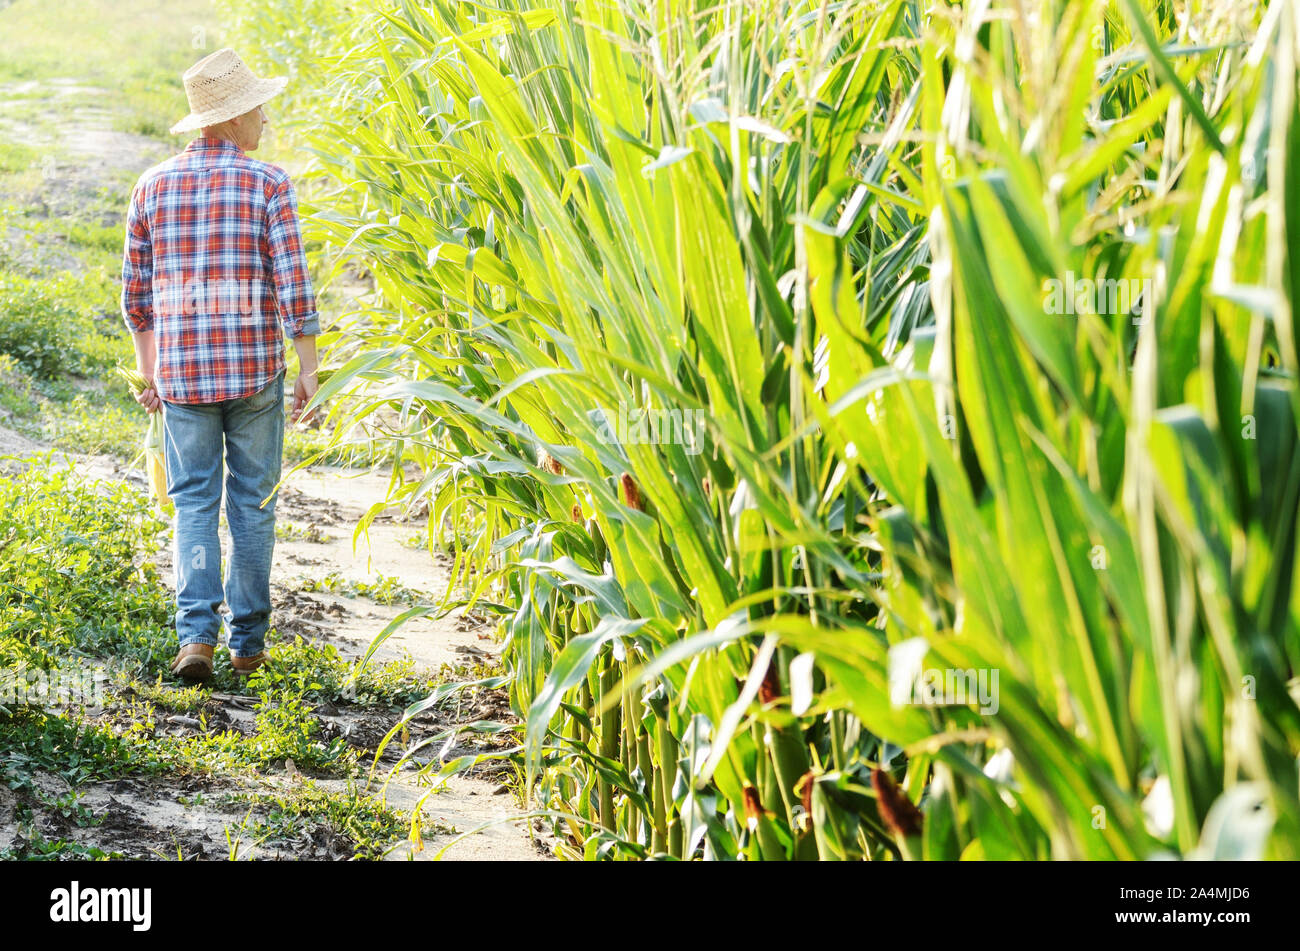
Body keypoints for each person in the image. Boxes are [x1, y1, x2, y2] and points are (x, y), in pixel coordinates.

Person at [121, 47, 320, 682]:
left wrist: (149, 371)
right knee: (253, 504)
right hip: (256, 372)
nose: (264, 117)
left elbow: (135, 296)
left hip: (182, 376)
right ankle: (249, 646)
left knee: (195, 502)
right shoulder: (269, 184)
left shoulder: (152, 185)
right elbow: (294, 287)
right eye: (257, 107)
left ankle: (195, 638)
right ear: (233, 119)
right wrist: (310, 367)